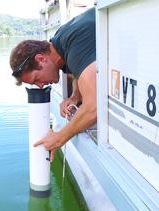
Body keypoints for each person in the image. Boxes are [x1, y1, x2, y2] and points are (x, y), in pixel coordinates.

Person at [9, 8, 96, 161]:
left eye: (36, 79)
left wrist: (59, 138)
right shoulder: (61, 42)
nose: (41, 86)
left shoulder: (74, 42)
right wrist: (75, 97)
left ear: (41, 59)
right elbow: (83, 68)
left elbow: (93, 107)